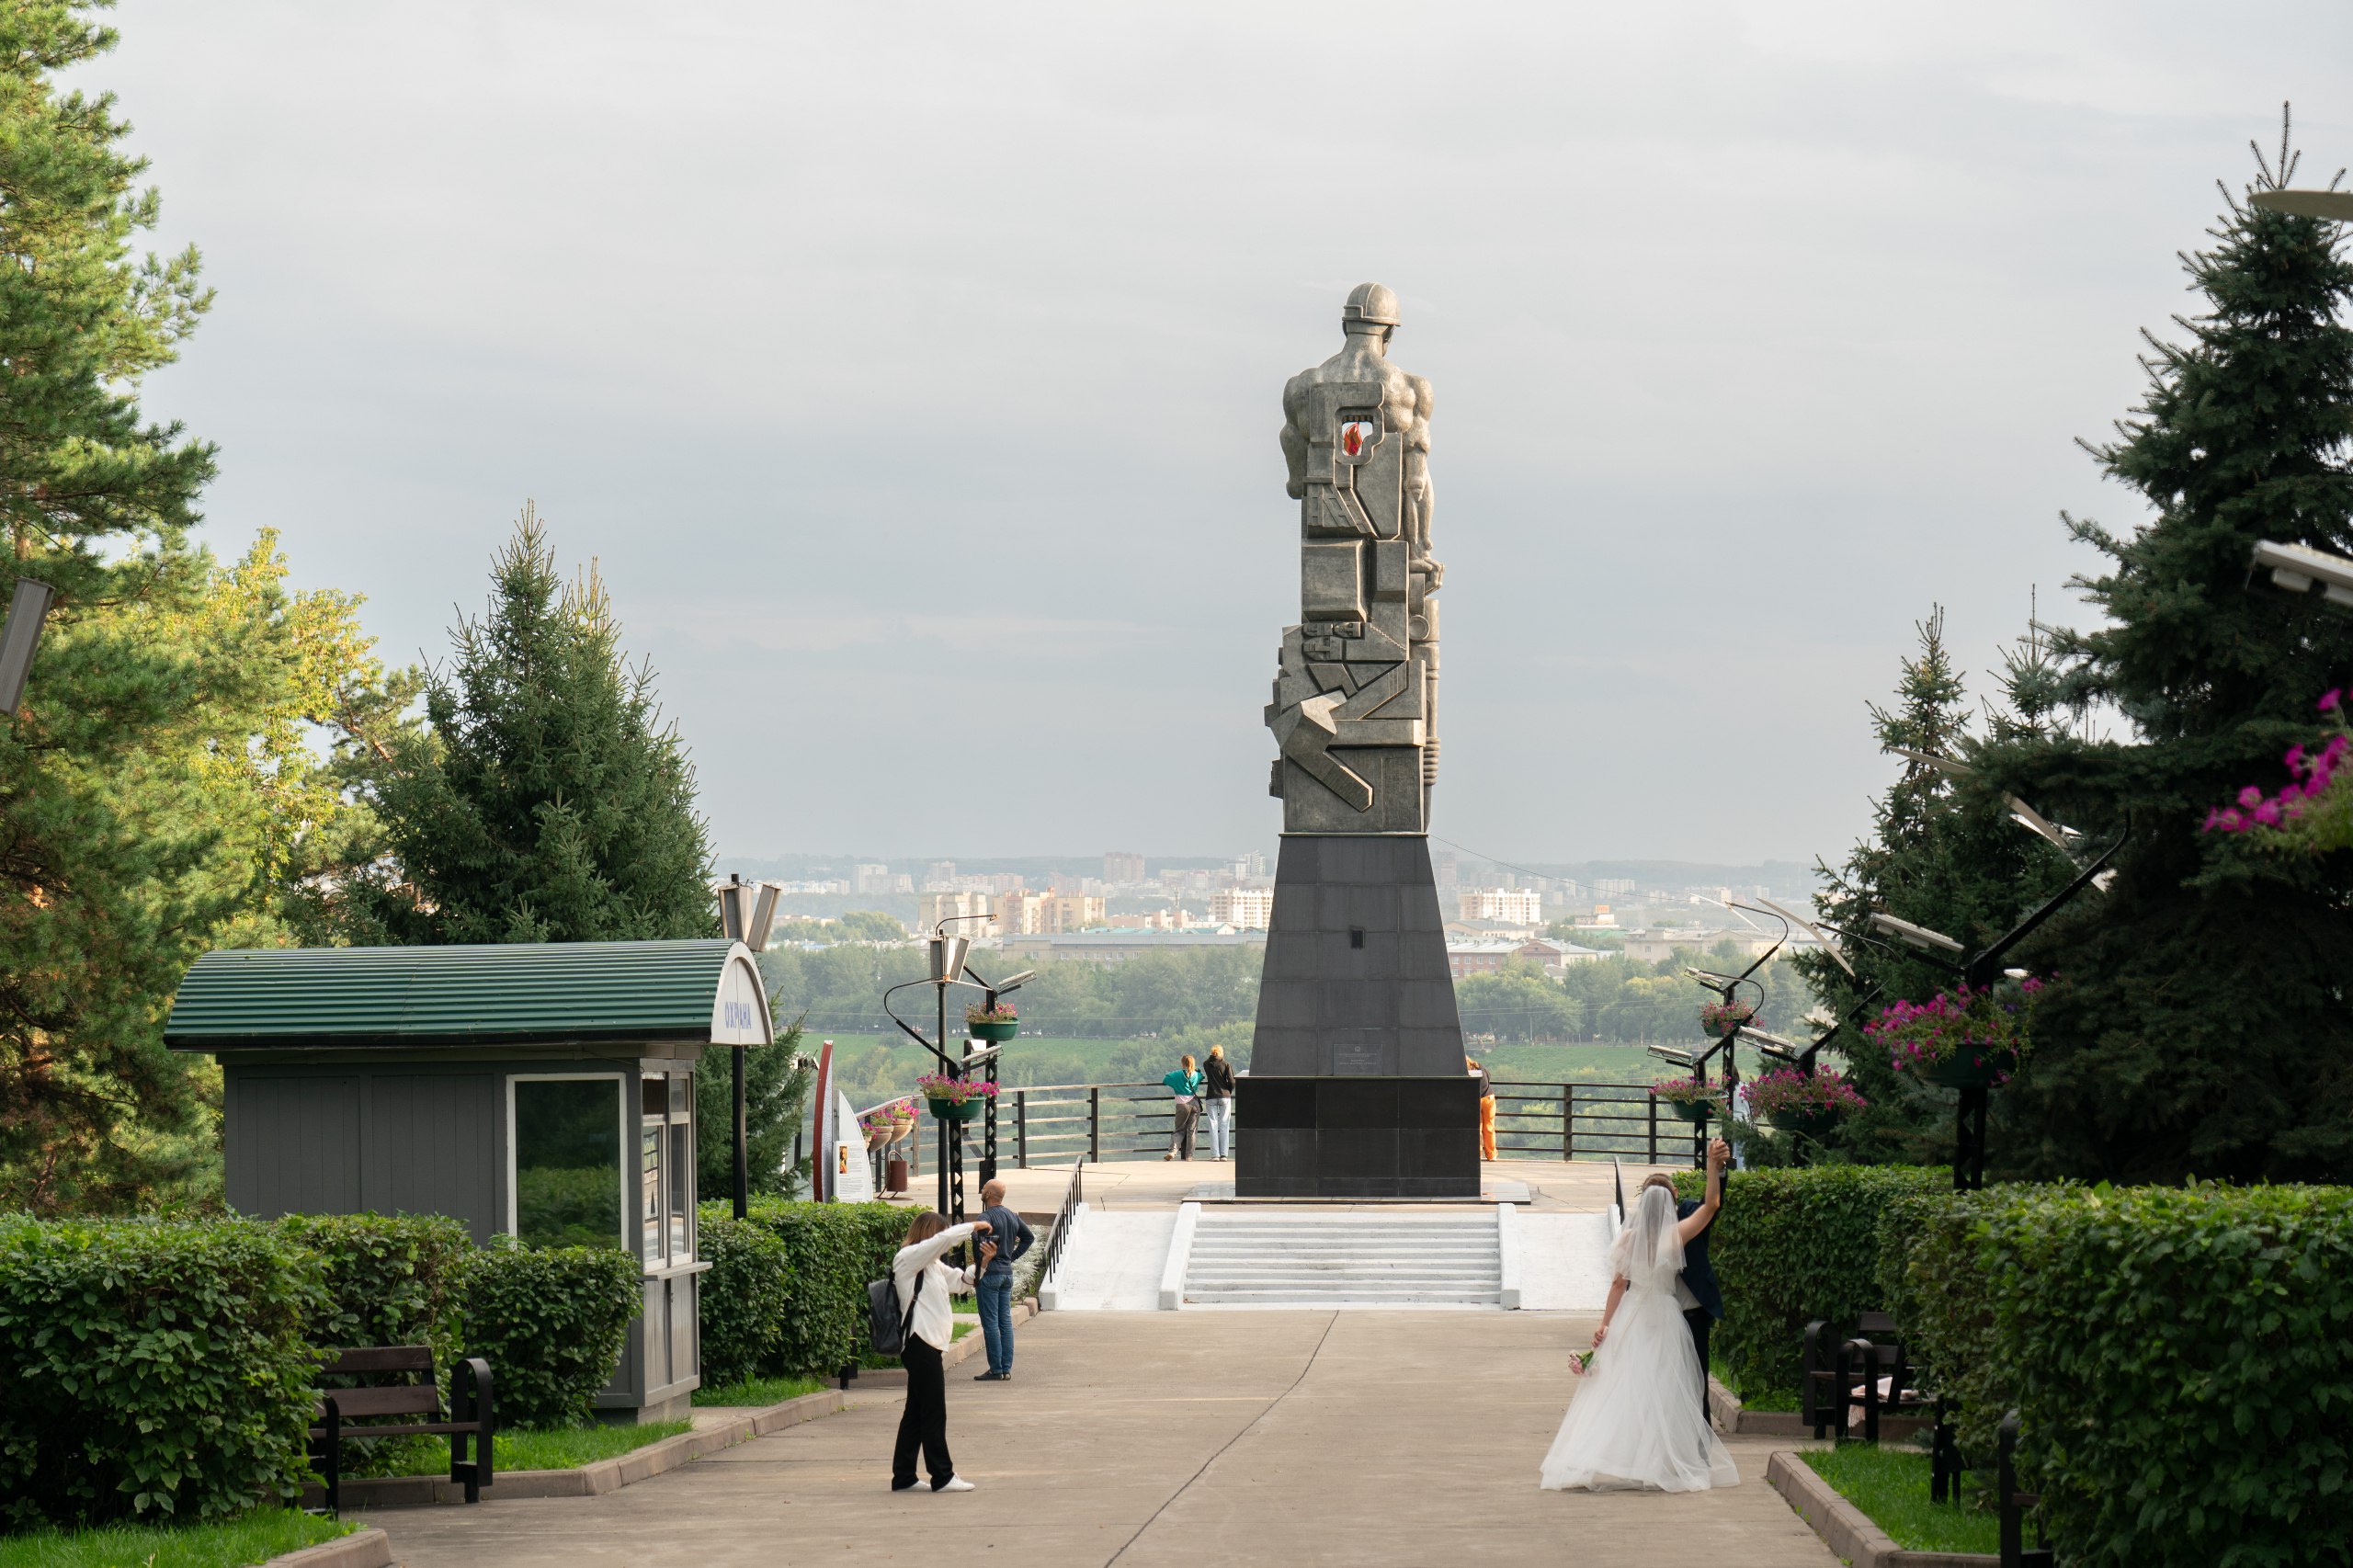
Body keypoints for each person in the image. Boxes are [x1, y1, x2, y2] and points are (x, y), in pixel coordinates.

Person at [1538, 1143, 1736, 1493]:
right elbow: (1711, 1206)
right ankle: (1665, 1460)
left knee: (1625, 1386)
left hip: (1635, 1314)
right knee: (1666, 1390)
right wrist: (1711, 1167)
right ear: (1670, 1204)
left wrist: (1604, 1325)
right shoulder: (1675, 1237)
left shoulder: (1628, 1238)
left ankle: (1613, 1455)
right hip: (1667, 1314)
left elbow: (1618, 1284)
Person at [890, 1210, 994, 1493]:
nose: (943, 1244)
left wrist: (983, 1261)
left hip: (928, 1344)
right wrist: (973, 1225)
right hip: (919, 1342)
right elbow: (944, 1239)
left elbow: (961, 1281)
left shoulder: (931, 1265)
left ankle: (904, 1476)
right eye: (937, 1235)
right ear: (929, 1234)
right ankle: (942, 1476)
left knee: (915, 1411)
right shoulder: (908, 1258)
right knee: (934, 1411)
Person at [971, 1179, 1034, 1382]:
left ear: (988, 1195)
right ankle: (1006, 1369)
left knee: (990, 1323)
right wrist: (1011, 1257)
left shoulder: (985, 1217)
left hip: (989, 1274)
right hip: (1007, 1274)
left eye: (984, 1189)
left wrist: (980, 1266)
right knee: (1005, 1322)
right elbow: (1029, 1237)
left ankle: (996, 1369)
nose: (981, 1191)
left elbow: (977, 1243)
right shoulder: (1012, 1216)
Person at [1161, 1053, 1204, 1161]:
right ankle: (1189, 1156)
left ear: (1182, 1063)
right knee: (1192, 1131)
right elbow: (1202, 1076)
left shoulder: (1178, 1074)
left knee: (1179, 1130)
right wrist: (1197, 1070)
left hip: (1182, 1105)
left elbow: (1165, 1079)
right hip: (1194, 1104)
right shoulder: (1196, 1075)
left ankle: (1173, 1151)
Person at [1200, 1045, 1237, 1161]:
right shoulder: (1225, 1064)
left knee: (1213, 1125)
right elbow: (1231, 1080)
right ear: (1221, 1053)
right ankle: (1224, 1155)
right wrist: (1228, 1090)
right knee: (1224, 1125)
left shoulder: (1206, 1064)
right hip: (1224, 1096)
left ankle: (1215, 1155)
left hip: (1211, 1096)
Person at [1467, 1055, 1496, 1162]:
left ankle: (1477, 1154)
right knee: (1489, 1126)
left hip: (1477, 1100)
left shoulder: (1467, 1073)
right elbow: (1489, 1076)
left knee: (1477, 1127)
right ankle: (1491, 1154)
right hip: (1489, 1097)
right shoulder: (1480, 1066)